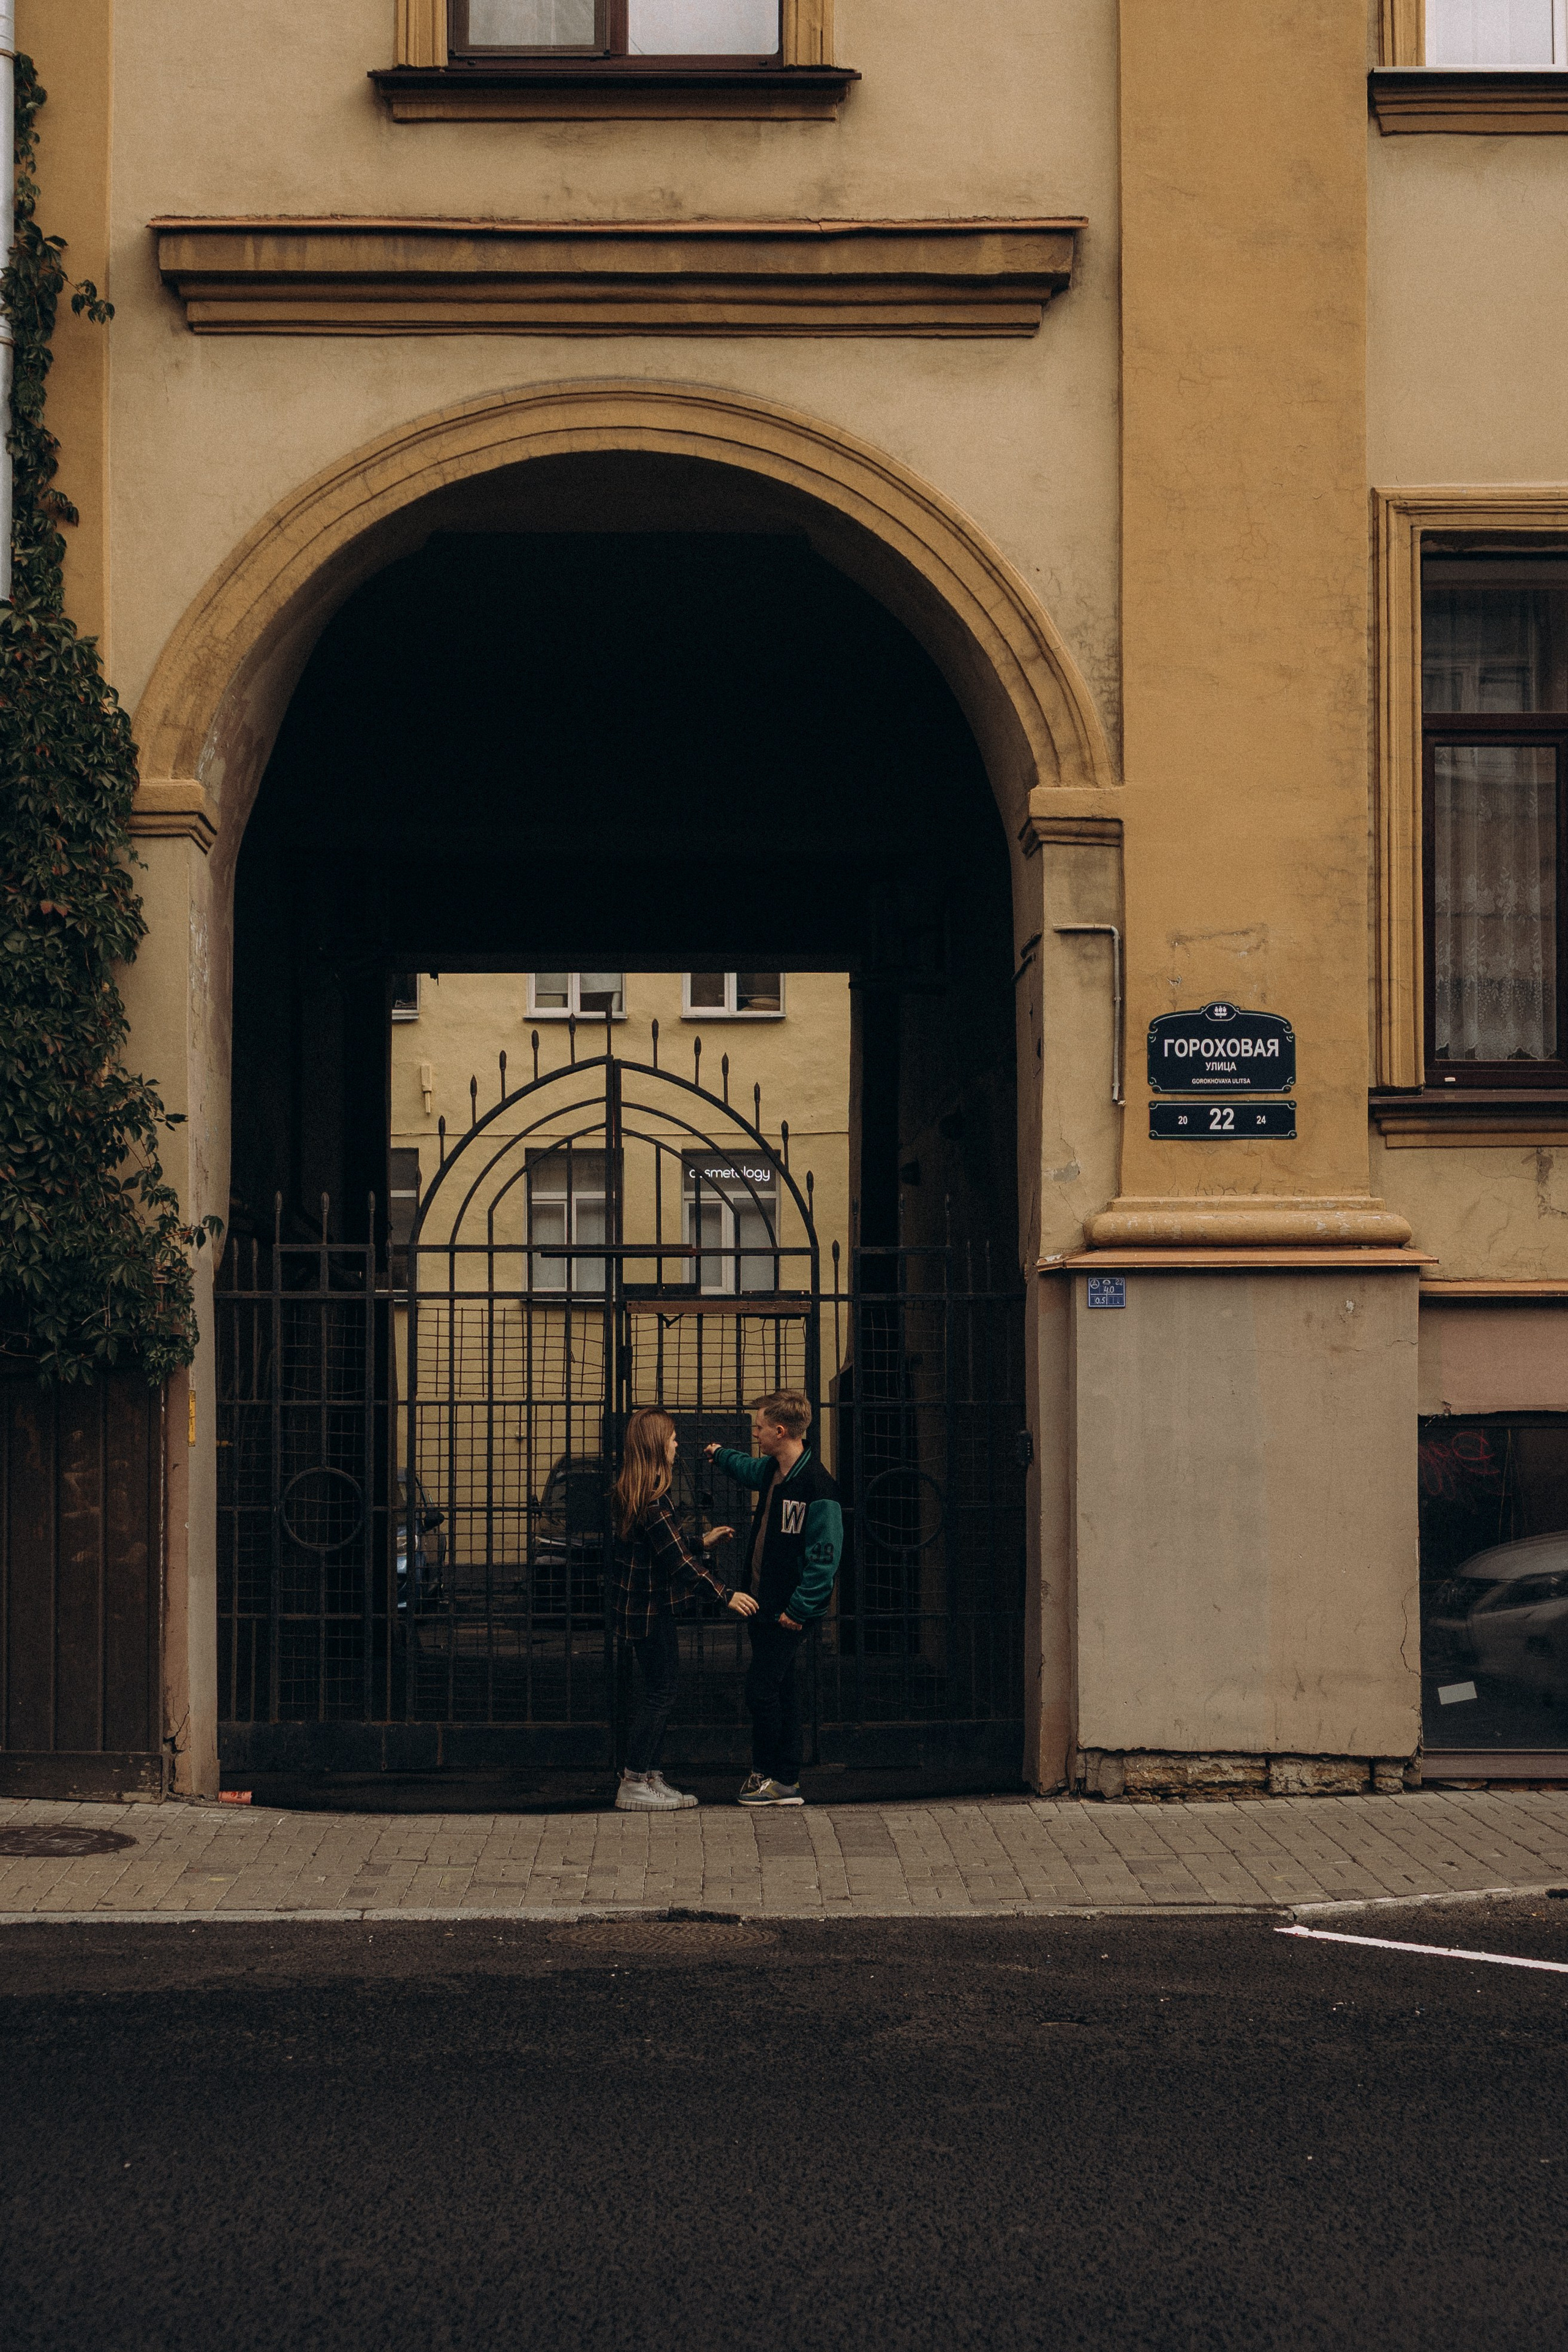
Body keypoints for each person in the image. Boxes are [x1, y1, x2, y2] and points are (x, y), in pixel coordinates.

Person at [611, 1407, 756, 1812]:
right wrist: (725, 1594)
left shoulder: (642, 1494)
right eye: (672, 1438)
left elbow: (667, 1546)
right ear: (657, 1445)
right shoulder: (653, 1502)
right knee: (660, 1694)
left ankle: (649, 1775)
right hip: (650, 1611)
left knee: (661, 1690)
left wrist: (702, 1541)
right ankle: (634, 1780)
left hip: (644, 1608)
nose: (677, 1444)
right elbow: (678, 1564)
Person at [703, 1389, 843, 1807]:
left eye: (759, 1426)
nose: (755, 1433)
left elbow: (824, 1559)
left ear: (780, 1431)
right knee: (781, 1690)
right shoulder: (773, 1471)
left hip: (788, 1611)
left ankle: (770, 1775)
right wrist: (719, 1454)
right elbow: (747, 1469)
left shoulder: (817, 1486)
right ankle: (784, 1778)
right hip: (765, 1605)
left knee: (761, 1691)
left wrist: (798, 1610)